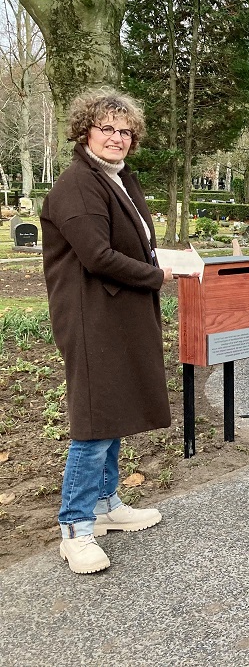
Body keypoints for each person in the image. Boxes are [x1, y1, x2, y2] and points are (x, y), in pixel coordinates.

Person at [41, 89, 171, 574]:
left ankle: (104, 504)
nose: (117, 138)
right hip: (89, 314)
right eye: (107, 129)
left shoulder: (116, 177)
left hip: (115, 311)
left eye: (125, 131)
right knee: (95, 419)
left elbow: (132, 243)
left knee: (112, 407)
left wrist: (157, 262)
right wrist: (157, 276)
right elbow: (96, 256)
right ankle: (75, 528)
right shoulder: (79, 184)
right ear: (85, 131)